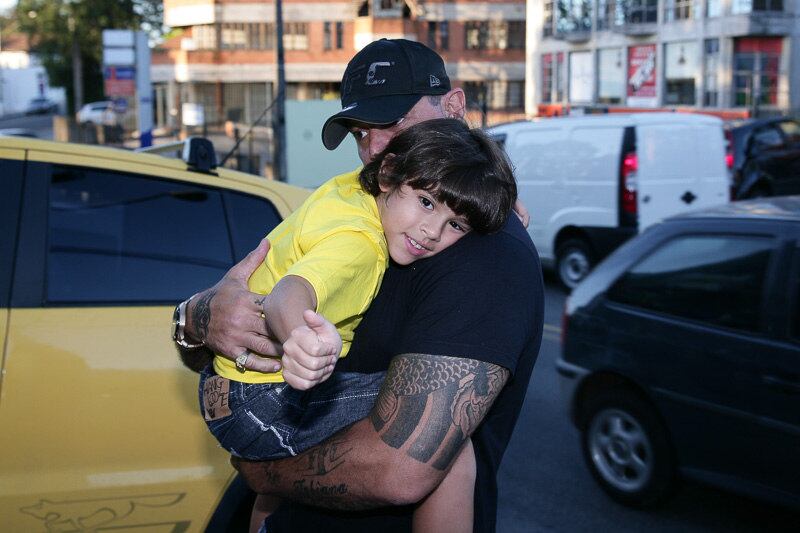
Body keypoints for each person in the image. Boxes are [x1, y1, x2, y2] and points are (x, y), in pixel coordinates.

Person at [174, 38, 543, 532]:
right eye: (360, 131)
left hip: (286, 456)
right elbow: (220, 335)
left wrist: (267, 478)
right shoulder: (369, 206)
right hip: (270, 430)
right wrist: (198, 317)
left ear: (454, 106)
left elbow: (402, 469)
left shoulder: (481, 253)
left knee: (442, 447)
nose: (372, 148)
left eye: (393, 123)